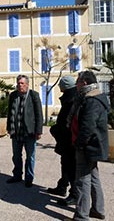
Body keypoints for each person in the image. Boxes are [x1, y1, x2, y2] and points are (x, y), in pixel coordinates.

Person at [65, 71, 109, 221]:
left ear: (84, 83)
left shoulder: (92, 100)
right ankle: (98, 210)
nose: (76, 85)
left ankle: (81, 217)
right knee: (94, 178)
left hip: (87, 146)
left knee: (82, 181)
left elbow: (88, 127)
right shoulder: (92, 96)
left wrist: (79, 143)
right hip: (93, 145)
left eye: (77, 82)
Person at [6, 74, 43, 187]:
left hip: (29, 132)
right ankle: (17, 175)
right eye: (18, 83)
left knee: (30, 156)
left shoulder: (33, 95)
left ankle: (29, 178)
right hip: (16, 132)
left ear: (27, 84)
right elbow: (9, 113)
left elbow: (39, 114)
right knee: (16, 156)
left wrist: (39, 131)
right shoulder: (13, 95)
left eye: (22, 83)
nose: (19, 85)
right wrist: (9, 127)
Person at [47, 75, 77, 206]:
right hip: (67, 138)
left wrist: (55, 130)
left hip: (68, 139)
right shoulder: (71, 96)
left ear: (64, 86)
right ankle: (62, 186)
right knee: (65, 163)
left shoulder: (71, 99)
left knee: (70, 166)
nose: (59, 86)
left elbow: (67, 121)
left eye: (60, 84)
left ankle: (74, 194)